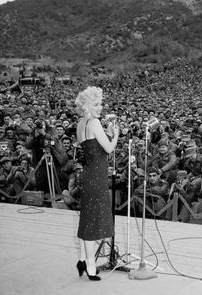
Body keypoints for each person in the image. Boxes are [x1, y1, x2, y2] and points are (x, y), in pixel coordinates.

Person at [75, 86, 119, 281]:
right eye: (96, 104)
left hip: (88, 175)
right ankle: (91, 268)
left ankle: (83, 260)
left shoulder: (80, 124)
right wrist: (115, 134)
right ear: (86, 105)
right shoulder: (94, 122)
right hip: (98, 178)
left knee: (87, 219)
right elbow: (108, 149)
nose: (100, 107)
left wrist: (107, 132)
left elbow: (94, 149)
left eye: (101, 103)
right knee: (93, 223)